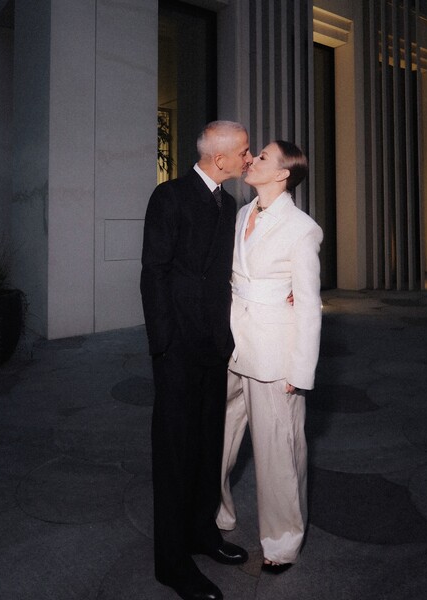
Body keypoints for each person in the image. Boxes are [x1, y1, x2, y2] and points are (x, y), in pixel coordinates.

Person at [140, 121, 253, 600]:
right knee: (175, 453)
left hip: (214, 346)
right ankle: (171, 562)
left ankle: (202, 534)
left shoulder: (228, 203)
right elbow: (154, 273)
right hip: (178, 349)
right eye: (244, 151)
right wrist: (163, 345)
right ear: (220, 159)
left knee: (209, 445)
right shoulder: (169, 197)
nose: (249, 158)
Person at [216, 141, 323, 574]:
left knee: (279, 452)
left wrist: (300, 369)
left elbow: (309, 304)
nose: (252, 160)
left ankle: (283, 543)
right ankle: (217, 512)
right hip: (231, 345)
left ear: (282, 174)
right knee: (216, 439)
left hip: (275, 355)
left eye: (262, 157)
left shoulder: (302, 228)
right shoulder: (242, 213)